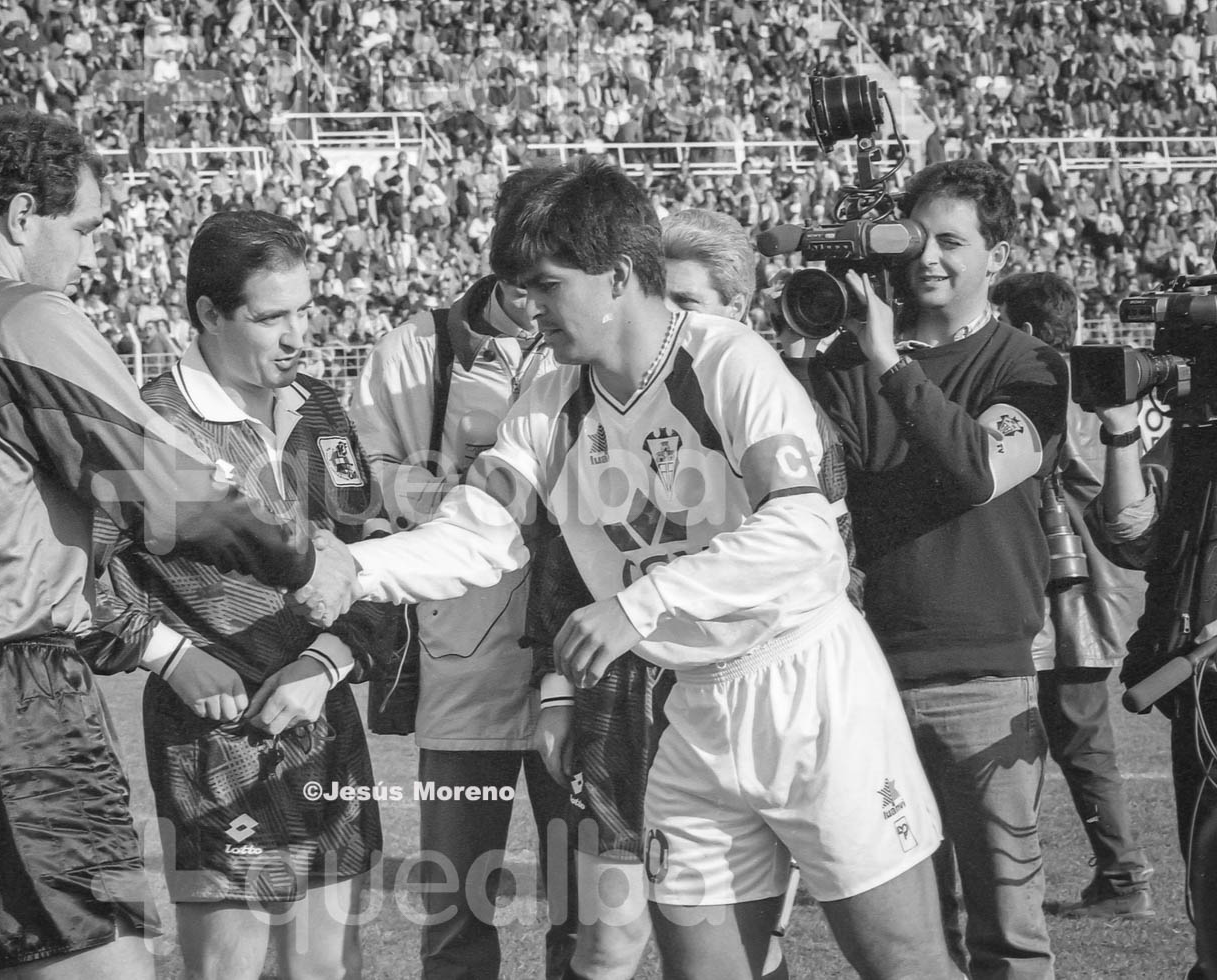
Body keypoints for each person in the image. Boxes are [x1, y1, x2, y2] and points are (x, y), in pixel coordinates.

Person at [310, 157, 957, 980]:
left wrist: (639, 604)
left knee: (905, 963)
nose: (529, 307)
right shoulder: (550, 398)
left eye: (547, 285)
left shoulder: (729, 361)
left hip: (808, 692)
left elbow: (804, 531)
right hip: (687, 709)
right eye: (521, 287)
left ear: (617, 276)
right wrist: (353, 566)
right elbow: (477, 532)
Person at [0, 109, 348, 980]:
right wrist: (301, 553)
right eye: (85, 228)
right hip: (15, 711)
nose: (92, 253)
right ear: (21, 216)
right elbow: (156, 480)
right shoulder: (12, 315)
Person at [93, 210, 396, 980]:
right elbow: (72, 581)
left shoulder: (320, 408)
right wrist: (168, 654)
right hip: (213, 740)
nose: (298, 336)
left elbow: (376, 559)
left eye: (305, 311)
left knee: (327, 969)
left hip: (324, 722)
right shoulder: (150, 427)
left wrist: (327, 663)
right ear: (208, 313)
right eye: (271, 318)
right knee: (229, 971)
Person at [809, 159, 1070, 980]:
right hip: (869, 676)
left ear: (998, 257)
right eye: (915, 238)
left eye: (952, 242)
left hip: (983, 679)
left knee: (1009, 935)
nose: (928, 258)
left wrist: (892, 364)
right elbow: (820, 493)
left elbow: (978, 471)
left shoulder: (1032, 364)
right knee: (915, 940)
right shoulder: (849, 361)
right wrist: (824, 349)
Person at [352, 269, 574, 980]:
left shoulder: (590, 339)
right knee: (454, 910)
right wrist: (456, 496)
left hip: (576, 665)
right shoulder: (413, 348)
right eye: (522, 271)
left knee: (584, 913)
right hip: (460, 660)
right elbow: (360, 474)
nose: (534, 294)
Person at [990, 271, 1154, 919]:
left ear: (1027, 330)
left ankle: (1123, 880)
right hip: (1087, 595)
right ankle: (1117, 879)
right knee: (1074, 741)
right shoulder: (1095, 390)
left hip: (1064, 597)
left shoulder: (1038, 392)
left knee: (1069, 743)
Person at [1089, 382, 1216, 980]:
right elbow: (1132, 535)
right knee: (1208, 867)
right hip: (1203, 684)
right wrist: (1120, 431)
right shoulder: (1195, 438)